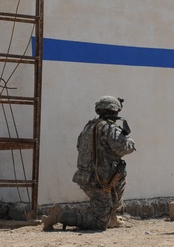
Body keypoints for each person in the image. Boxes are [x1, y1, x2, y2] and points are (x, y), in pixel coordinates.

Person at [42, 96, 136, 231]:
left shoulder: (88, 127)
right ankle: (59, 216)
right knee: (98, 223)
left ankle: (111, 218)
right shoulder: (109, 128)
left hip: (88, 177)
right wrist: (129, 140)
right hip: (99, 181)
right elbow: (124, 148)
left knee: (116, 184)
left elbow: (80, 147)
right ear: (115, 111)